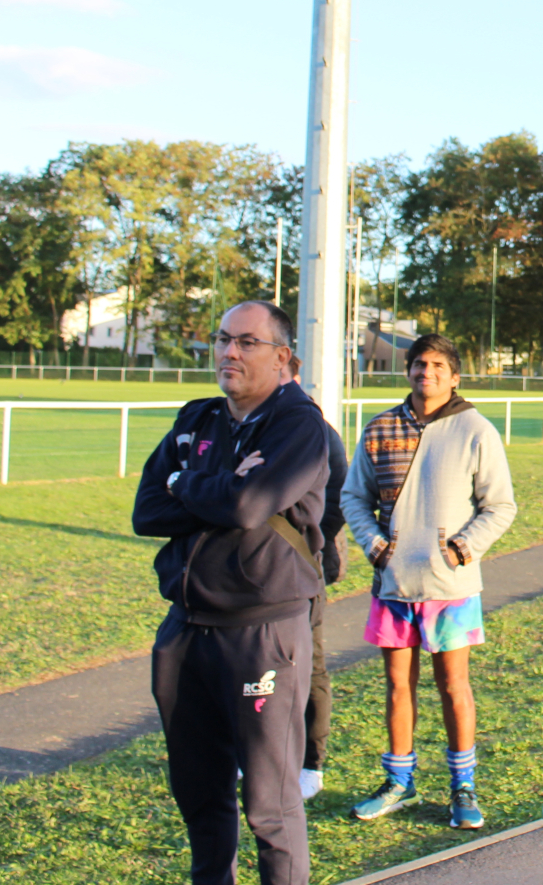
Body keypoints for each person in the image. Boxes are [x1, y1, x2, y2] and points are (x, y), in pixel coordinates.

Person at [133, 301, 330, 885]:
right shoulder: (198, 418)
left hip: (262, 633)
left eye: (246, 342)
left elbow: (248, 508)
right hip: (186, 630)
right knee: (200, 796)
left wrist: (184, 484)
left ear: (281, 357)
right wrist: (213, 484)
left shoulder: (299, 425)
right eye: (223, 340)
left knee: (270, 807)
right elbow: (147, 511)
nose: (229, 353)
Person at [340, 333, 516, 831]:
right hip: (394, 587)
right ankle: (400, 782)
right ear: (408, 371)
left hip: (451, 589)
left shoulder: (476, 429)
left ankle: (463, 786)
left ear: (454, 375)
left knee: (453, 685)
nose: (427, 373)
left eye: (438, 365)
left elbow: (500, 505)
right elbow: (353, 496)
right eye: (420, 364)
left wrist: (461, 548)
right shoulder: (379, 430)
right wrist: (374, 543)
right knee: (398, 686)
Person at [280, 353, 348, 803]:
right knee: (263, 669)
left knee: (309, 666)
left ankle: (311, 764)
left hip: (304, 573)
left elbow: (341, 498)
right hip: (253, 579)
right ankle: (264, 754)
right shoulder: (249, 426)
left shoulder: (320, 432)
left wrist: (309, 546)